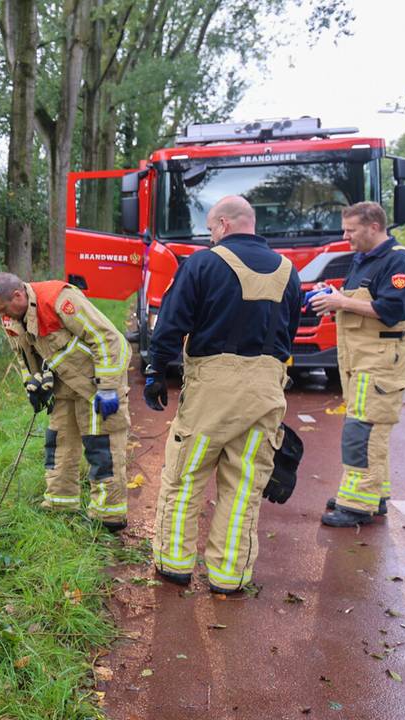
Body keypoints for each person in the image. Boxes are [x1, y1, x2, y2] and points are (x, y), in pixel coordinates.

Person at [143, 195, 301, 594]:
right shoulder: (289, 272)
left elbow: (171, 322)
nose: (210, 236)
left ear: (225, 225)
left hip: (213, 390)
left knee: (185, 476)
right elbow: (290, 329)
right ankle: (230, 577)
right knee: (245, 486)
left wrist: (156, 371)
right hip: (267, 389)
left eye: (212, 228)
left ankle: (174, 565)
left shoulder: (202, 264)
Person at [0, 272, 131, 531]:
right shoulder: (11, 318)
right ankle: (60, 504)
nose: (1, 315)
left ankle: (108, 516)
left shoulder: (59, 300)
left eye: (3, 308)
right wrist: (33, 385)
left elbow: (108, 339)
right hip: (64, 388)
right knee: (58, 444)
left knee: (101, 447)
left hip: (95, 384)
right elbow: (23, 356)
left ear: (17, 296)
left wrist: (108, 387)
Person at [310, 202, 405, 527]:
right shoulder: (367, 258)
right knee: (368, 425)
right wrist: (333, 294)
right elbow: (363, 298)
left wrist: (341, 301)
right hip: (364, 358)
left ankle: (357, 504)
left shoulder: (399, 260)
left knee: (365, 429)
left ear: (373, 227)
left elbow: (395, 308)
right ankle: (376, 495)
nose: (345, 236)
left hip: (382, 359)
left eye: (351, 230)